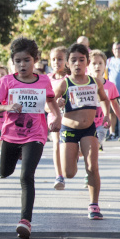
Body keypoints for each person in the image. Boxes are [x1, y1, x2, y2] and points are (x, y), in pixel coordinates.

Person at [0, 37, 61, 239]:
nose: (22, 65)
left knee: (26, 176)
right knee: (5, 171)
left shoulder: (44, 81)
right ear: (13, 62)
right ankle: (15, 157)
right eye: (18, 61)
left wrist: (57, 117)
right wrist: (6, 106)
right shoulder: (6, 81)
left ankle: (25, 221)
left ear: (35, 60)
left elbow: (51, 102)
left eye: (27, 60)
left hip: (35, 134)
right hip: (11, 135)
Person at [53, 43, 110, 218]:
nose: (77, 63)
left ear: (87, 62)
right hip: (69, 129)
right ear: (68, 64)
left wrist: (107, 115)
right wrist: (58, 105)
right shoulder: (64, 84)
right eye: (73, 60)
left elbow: (104, 100)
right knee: (69, 173)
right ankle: (76, 153)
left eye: (81, 60)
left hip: (89, 129)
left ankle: (94, 205)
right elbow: (50, 104)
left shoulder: (95, 82)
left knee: (92, 167)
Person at [88, 49, 120, 154]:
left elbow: (114, 103)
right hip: (86, 122)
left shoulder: (110, 86)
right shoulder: (84, 85)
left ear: (105, 66)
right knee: (86, 150)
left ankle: (97, 145)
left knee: (94, 145)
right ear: (88, 66)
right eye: (93, 63)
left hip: (102, 123)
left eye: (100, 63)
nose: (97, 66)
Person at [47, 47, 68, 189]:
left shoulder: (71, 78)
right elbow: (43, 103)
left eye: (60, 59)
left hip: (70, 117)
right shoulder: (46, 79)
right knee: (56, 143)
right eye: (53, 59)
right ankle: (59, 176)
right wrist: (54, 106)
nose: (56, 62)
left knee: (70, 147)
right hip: (54, 116)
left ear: (66, 60)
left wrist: (64, 102)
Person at [106, 41, 120, 139]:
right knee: (111, 113)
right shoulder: (109, 61)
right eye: (115, 48)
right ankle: (112, 133)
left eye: (119, 48)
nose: (117, 50)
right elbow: (105, 75)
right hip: (111, 92)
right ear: (112, 50)